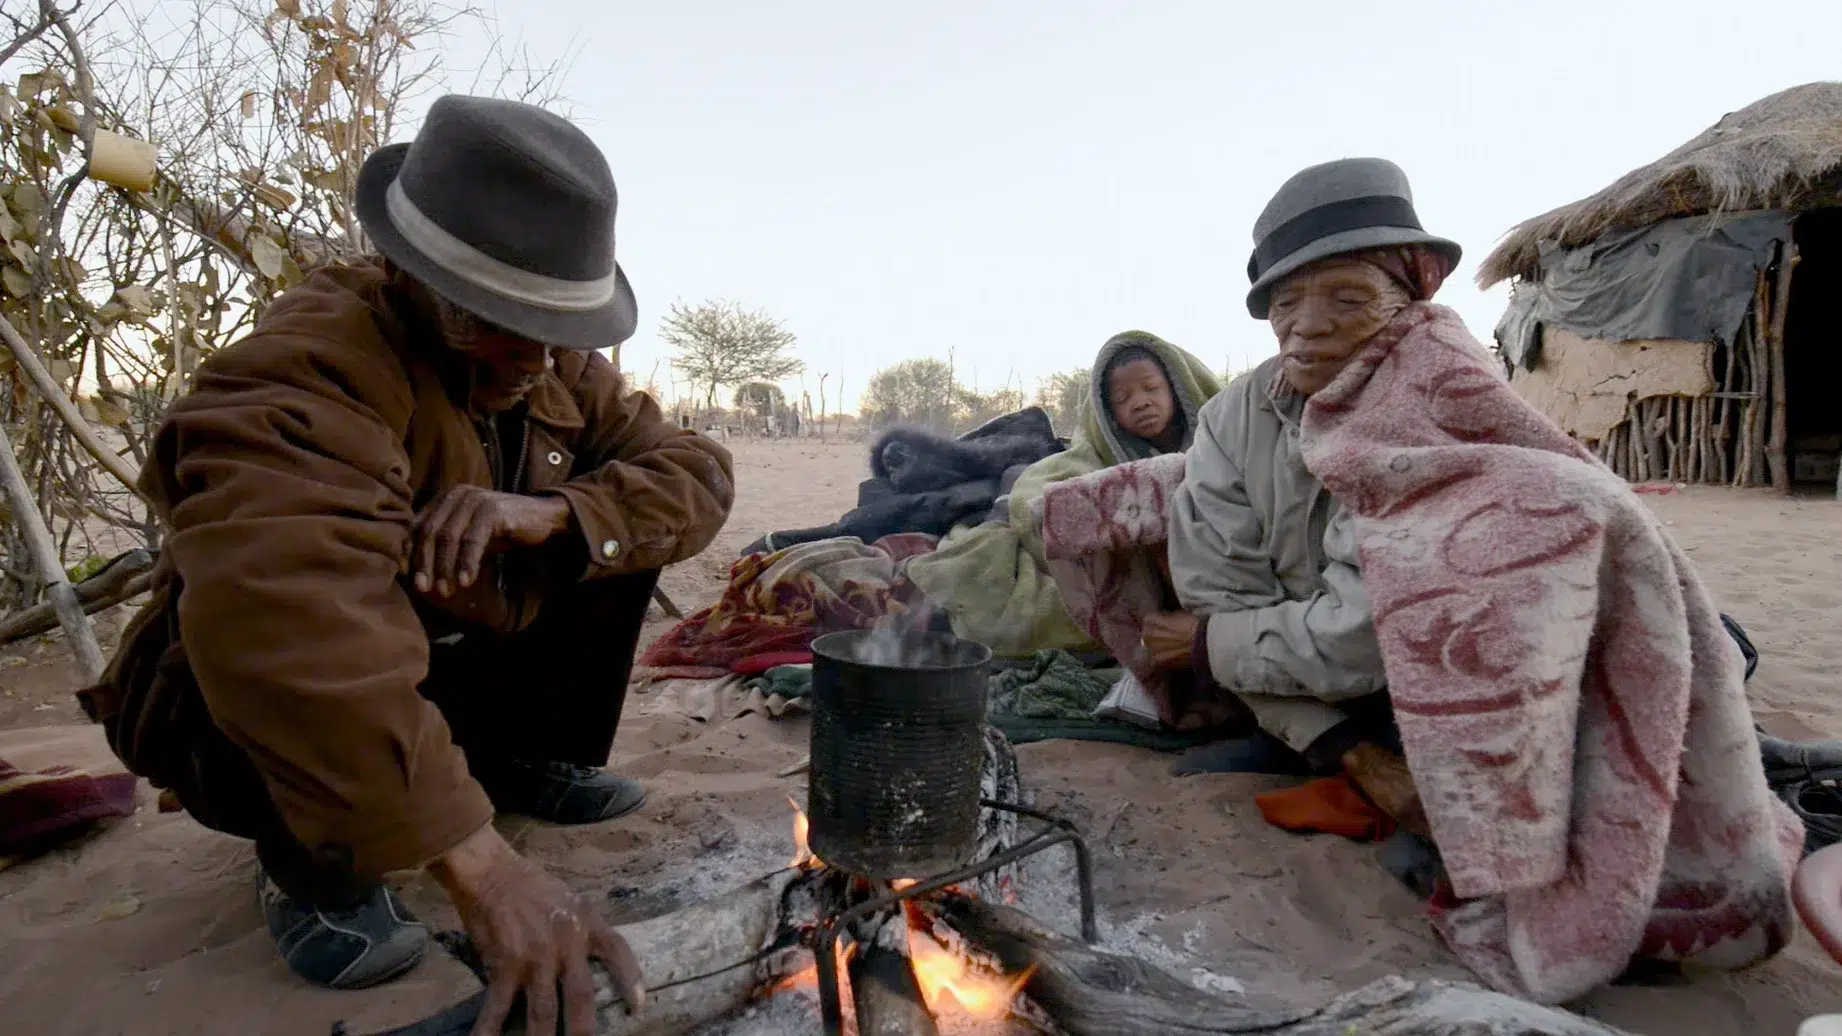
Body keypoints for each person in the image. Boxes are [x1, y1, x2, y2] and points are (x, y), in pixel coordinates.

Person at [76, 96, 734, 1036]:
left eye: (551, 325)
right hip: (261, 713)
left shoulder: (554, 369)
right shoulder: (308, 367)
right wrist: (488, 870)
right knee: (294, 606)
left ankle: (508, 767)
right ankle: (311, 860)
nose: (531, 357)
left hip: (452, 662)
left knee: (611, 525)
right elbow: (287, 618)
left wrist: (557, 512)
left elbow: (696, 475)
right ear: (404, 274)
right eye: (496, 322)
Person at [905, 332, 1221, 656]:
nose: (1140, 402)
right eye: (1122, 399)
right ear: (1107, 414)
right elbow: (1035, 509)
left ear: (1179, 388)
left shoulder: (1222, 450)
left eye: (1151, 388)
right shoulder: (1091, 461)